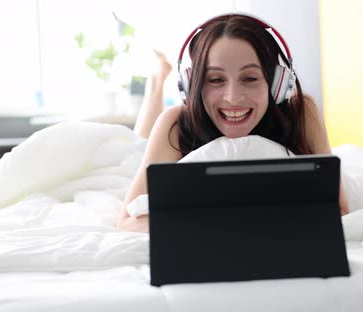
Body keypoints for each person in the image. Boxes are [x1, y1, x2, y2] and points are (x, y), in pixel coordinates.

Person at [118, 14, 349, 233]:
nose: (233, 97)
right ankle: (157, 78)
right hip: (158, 140)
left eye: (250, 78)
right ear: (192, 85)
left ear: (278, 83)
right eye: (215, 80)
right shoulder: (175, 123)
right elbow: (127, 221)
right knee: (139, 141)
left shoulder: (301, 113)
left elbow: (339, 209)